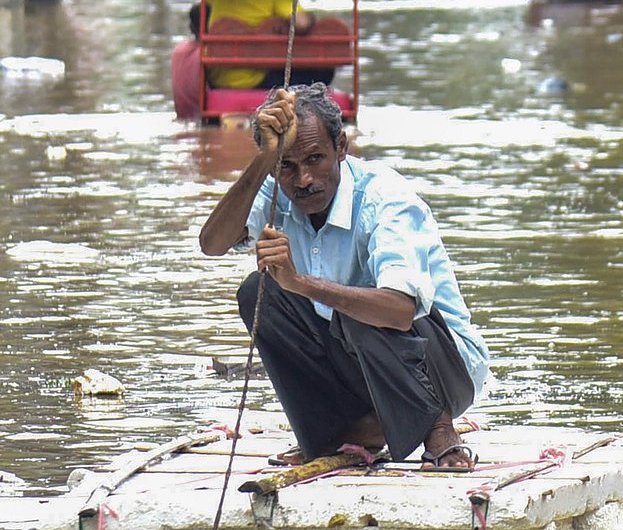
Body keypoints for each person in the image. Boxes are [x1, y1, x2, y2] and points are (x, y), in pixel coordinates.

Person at [199, 84, 489, 470]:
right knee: (259, 291)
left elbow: (400, 311)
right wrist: (264, 160)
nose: (303, 179)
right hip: (359, 361)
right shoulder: (277, 189)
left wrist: (300, 283)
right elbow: (213, 243)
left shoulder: (384, 197)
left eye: (315, 159)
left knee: (359, 306)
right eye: (287, 165)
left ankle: (438, 429)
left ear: (341, 147)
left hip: (443, 369)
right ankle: (338, 433)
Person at [205, 0, 316, 90]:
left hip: (216, 79)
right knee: (321, 72)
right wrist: (310, 17)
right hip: (255, 82)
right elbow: (302, 23)